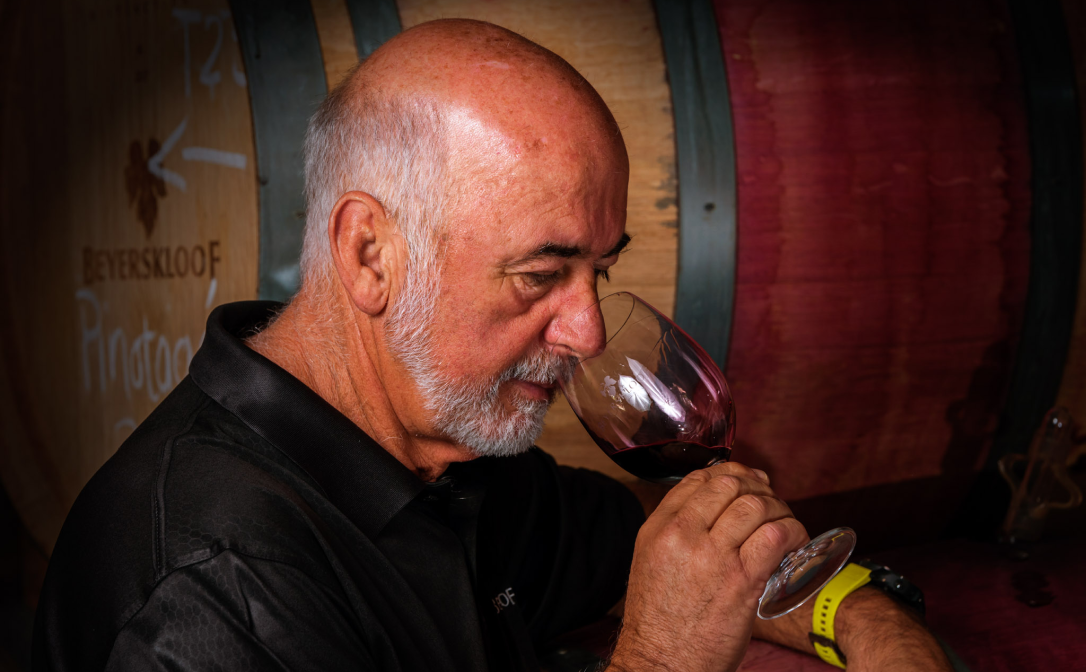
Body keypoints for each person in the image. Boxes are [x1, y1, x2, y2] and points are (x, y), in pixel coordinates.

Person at [33, 19, 953, 672]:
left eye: (599, 269)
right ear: (370, 254)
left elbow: (707, 567)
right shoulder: (210, 595)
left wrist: (877, 632)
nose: (588, 329)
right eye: (540, 273)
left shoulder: (459, 454)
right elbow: (676, 620)